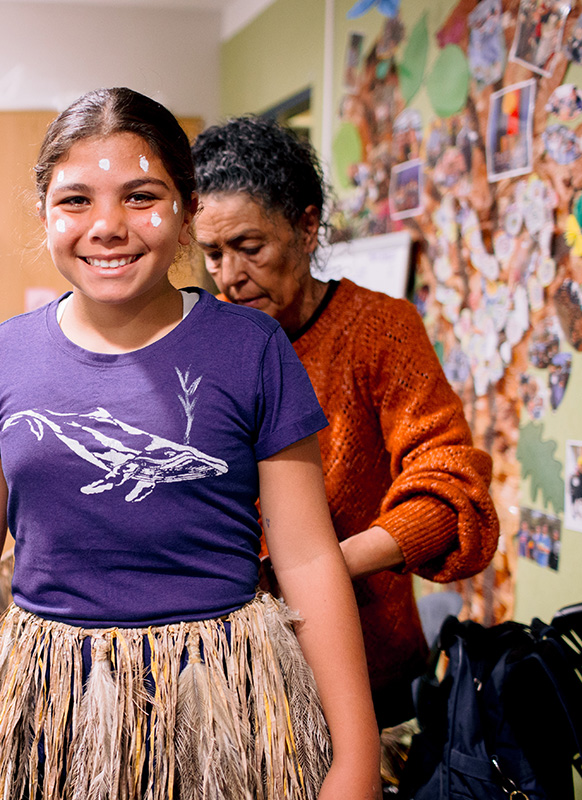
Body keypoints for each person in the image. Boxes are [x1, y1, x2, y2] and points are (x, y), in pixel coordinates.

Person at [0, 87, 379, 800]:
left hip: (219, 701)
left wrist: (356, 750)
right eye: (77, 200)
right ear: (45, 216)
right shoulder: (3, 356)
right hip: (49, 699)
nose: (108, 226)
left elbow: (307, 557)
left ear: (186, 213)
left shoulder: (253, 349)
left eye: (141, 195)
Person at [191, 114, 500, 729]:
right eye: (213, 254)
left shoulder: (378, 330)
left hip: (368, 667)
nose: (228, 276)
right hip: (234, 679)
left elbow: (453, 488)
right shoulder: (206, 343)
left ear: (307, 228)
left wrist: (318, 568)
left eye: (250, 248)